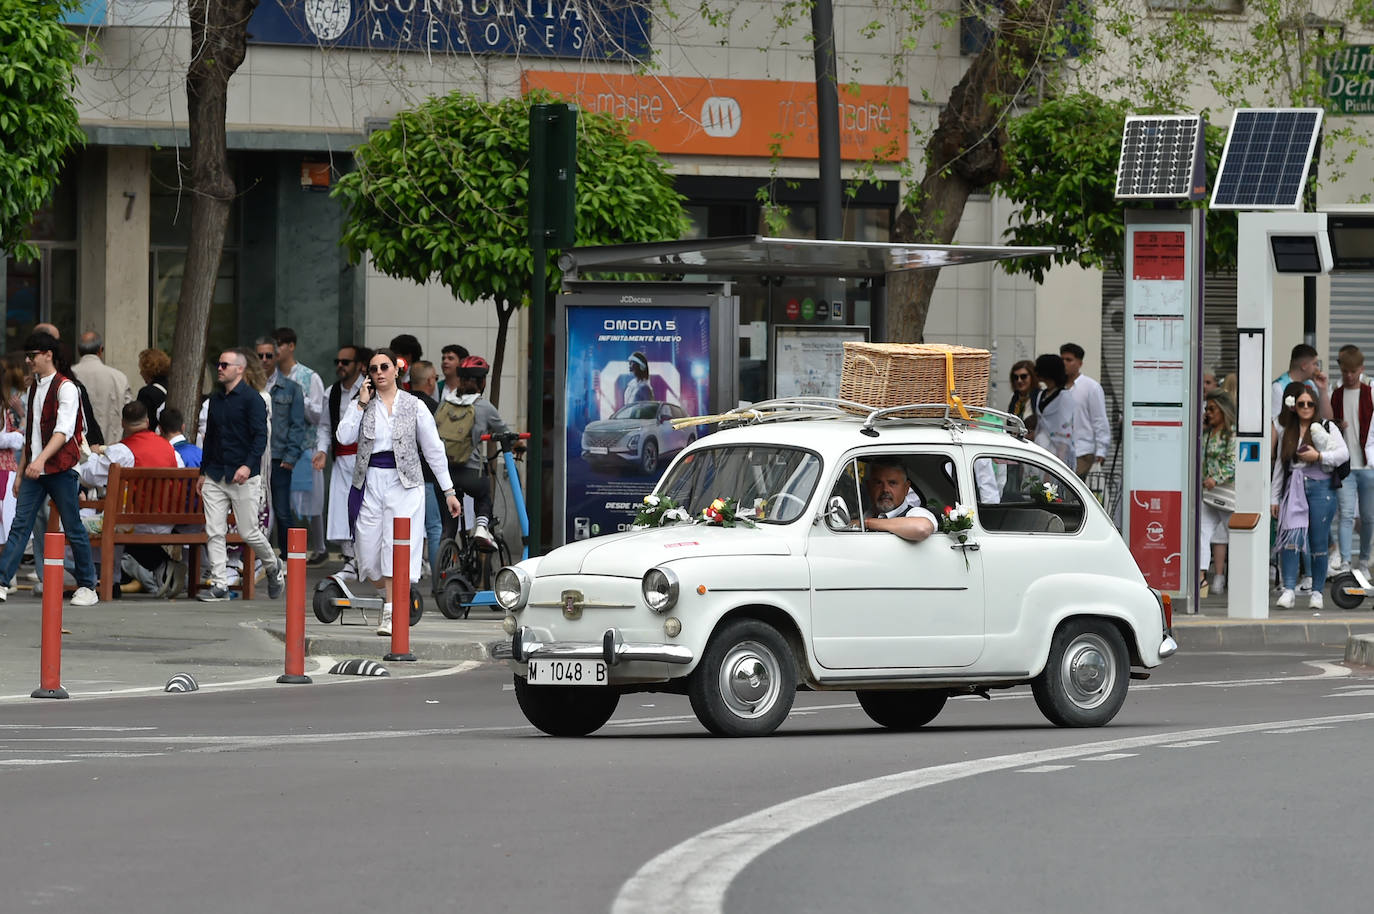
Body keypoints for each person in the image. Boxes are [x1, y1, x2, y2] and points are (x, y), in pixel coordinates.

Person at [336, 349, 460, 635]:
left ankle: (391, 612)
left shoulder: (414, 405)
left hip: (405, 484)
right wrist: (359, 404)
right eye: (374, 368)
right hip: (370, 483)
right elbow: (343, 437)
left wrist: (448, 491)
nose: (379, 372)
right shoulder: (362, 404)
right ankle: (391, 596)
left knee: (396, 549)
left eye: (384, 367)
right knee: (366, 557)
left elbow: (433, 450)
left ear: (396, 370)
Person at [0, 332, 99, 605]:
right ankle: (1, 581)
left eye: (32, 355)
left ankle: (88, 586)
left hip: (61, 468)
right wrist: (22, 473)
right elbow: (31, 435)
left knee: (73, 526)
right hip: (36, 469)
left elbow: (64, 431)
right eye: (27, 356)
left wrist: (40, 461)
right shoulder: (33, 388)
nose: (29, 360)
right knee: (21, 525)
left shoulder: (67, 387)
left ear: (48, 355)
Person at [197, 349, 284, 602]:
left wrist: (247, 466)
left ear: (239, 369)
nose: (220, 368)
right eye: (219, 364)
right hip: (216, 474)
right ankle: (220, 585)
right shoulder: (215, 400)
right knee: (214, 530)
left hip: (243, 476)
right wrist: (203, 472)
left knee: (248, 532)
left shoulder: (252, 399)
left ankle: (272, 564)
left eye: (225, 364)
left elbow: (260, 437)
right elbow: (209, 438)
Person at [80, 400, 187, 598]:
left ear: (123, 423)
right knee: (116, 522)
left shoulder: (121, 451)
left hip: (136, 521)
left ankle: (107, 581)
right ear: (147, 421)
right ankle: (159, 566)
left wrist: (94, 456)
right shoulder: (170, 450)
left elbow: (89, 476)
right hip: (168, 519)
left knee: (95, 524)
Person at [1271, 382, 1348, 610]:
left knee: (1318, 542)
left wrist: (1319, 456)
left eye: (1310, 403)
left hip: (1321, 488)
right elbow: (1279, 465)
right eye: (1301, 403)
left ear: (1315, 405)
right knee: (1291, 540)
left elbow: (1343, 454)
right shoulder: (1287, 430)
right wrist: (1274, 498)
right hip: (1293, 488)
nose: (1305, 407)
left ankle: (1317, 592)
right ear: (1294, 406)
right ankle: (1288, 590)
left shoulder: (1326, 426)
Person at [438, 355, 510, 551]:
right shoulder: (484, 407)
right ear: (481, 381)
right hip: (471, 473)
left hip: (446, 473)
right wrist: (518, 444)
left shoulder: (446, 402)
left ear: (460, 379)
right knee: (483, 494)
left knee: (448, 523)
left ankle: (446, 555)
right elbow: (503, 430)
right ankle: (481, 526)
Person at [313, 344, 370, 572]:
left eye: (345, 362)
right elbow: (325, 427)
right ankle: (349, 559)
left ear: (358, 365)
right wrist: (322, 450)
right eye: (337, 362)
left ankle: (365, 558)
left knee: (366, 508)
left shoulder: (370, 388)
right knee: (341, 509)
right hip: (341, 460)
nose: (340, 366)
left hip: (366, 461)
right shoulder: (331, 392)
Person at [273, 327, 327, 564]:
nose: (274, 351)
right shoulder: (271, 377)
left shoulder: (309, 377)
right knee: (280, 502)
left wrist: (299, 400)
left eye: (279, 345)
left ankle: (320, 547)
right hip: (277, 448)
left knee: (311, 501)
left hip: (305, 446)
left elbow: (319, 415)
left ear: (291, 346)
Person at [254, 337, 306, 558]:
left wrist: (291, 456)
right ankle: (253, 558)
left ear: (276, 357)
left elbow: (297, 425)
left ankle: (288, 557)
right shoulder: (248, 387)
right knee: (252, 510)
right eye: (260, 356)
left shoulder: (292, 388)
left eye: (268, 355)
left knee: (282, 510)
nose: (264, 360)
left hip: (278, 457)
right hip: (253, 457)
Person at [1331, 344, 1374, 575]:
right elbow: (1326, 425)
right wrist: (1337, 425)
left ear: (1361, 369)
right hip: (1346, 466)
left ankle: (1364, 562)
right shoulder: (1335, 394)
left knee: (1368, 518)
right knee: (1346, 515)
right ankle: (1347, 563)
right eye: (1345, 371)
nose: (1348, 376)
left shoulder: (1371, 392)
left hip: (1368, 466)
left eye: (1353, 371)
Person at [409, 360, 447, 592]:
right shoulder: (434, 408)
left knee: (403, 528)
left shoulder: (399, 403)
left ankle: (402, 580)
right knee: (433, 528)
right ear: (430, 381)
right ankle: (438, 584)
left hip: (401, 477)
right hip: (428, 477)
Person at [1200, 390, 1236, 596]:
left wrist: (1217, 478)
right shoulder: (1206, 434)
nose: (1209, 413)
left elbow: (1233, 461)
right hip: (1207, 493)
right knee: (1202, 534)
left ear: (1223, 410)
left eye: (1212, 409)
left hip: (1225, 492)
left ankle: (1239, 578)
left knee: (1235, 535)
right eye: (1207, 409)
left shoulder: (1231, 435)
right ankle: (1202, 578)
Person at [71, 330, 133, 445]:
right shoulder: (119, 378)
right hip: (112, 448)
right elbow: (130, 414)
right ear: (100, 350)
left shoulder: (68, 376)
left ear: (79, 351)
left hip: (79, 449)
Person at [1061, 343, 1110, 479]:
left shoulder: (1091, 387)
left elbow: (1099, 419)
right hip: (1060, 451)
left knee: (1071, 490)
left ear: (1079, 363)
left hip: (1083, 451)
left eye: (1069, 360)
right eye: (1062, 360)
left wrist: (1101, 450)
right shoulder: (1059, 387)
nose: (1064, 363)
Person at [859, 458, 936, 542]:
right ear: (869, 487)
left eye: (892, 483)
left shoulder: (916, 513)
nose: (885, 489)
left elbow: (922, 528)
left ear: (906, 488)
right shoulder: (865, 515)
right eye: (878, 483)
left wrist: (866, 523)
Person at [1031, 353, 1076, 469]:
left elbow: (1065, 434)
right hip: (1039, 450)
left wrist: (1057, 466)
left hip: (1055, 454)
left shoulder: (1064, 397)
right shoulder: (1042, 394)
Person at [0, 355, 27, 546]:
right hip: (4, 468)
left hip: (7, 468)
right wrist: (16, 437)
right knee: (6, 527)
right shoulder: (5, 404)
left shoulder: (6, 404)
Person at [1271, 343, 1332, 421]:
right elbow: (1276, 423)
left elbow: (1327, 420)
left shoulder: (1312, 385)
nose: (1317, 369)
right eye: (1315, 364)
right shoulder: (1278, 387)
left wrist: (1323, 391)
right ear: (1304, 366)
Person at [135, 348, 171, 433]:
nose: (140, 373)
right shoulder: (173, 387)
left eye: (142, 369)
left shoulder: (146, 393)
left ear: (147, 370)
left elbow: (141, 424)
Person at [1006, 359, 1037, 430]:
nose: (1019, 380)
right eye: (1016, 377)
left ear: (1032, 377)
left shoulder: (1039, 397)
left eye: (1023, 376)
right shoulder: (1014, 398)